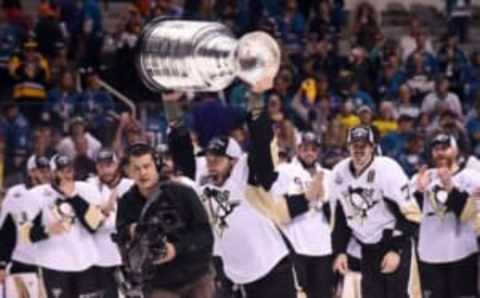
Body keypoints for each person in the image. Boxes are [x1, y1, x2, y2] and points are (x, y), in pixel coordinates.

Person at [167, 83, 325, 298]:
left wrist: (256, 99)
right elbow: (180, 145)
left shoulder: (245, 177)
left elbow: (261, 142)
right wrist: (170, 103)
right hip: (236, 277)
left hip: (272, 269)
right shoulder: (202, 177)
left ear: (233, 161)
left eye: (218, 158)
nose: (211, 163)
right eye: (209, 157)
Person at [330, 126, 422, 298]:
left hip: (393, 242)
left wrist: (396, 250)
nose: (358, 151)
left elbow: (412, 214)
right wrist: (340, 251)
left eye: (363, 146)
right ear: (348, 147)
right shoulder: (338, 173)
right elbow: (341, 216)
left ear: (372, 147)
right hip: (367, 249)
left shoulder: (388, 169)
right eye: (354, 145)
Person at [116, 143, 215, 298]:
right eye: (136, 168)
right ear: (128, 171)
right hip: (158, 284)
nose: (143, 172)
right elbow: (120, 236)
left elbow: (205, 235)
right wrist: (133, 231)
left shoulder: (183, 193)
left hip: (196, 278)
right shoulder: (126, 203)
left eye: (146, 166)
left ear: (156, 164)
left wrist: (175, 248)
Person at [26, 154, 106, 297]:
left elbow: (95, 225)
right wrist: (47, 230)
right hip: (54, 266)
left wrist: (74, 196)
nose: (65, 175)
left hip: (86, 263)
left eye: (68, 171)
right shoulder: (37, 195)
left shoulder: (86, 189)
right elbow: (25, 235)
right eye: (60, 171)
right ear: (52, 172)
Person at [412, 133, 480, 298]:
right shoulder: (422, 178)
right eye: (436, 149)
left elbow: (468, 214)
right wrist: (419, 193)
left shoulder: (471, 177)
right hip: (430, 255)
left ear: (456, 151)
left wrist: (450, 186)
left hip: (463, 253)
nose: (440, 153)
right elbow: (411, 216)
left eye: (445, 148)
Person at [276, 131, 334, 298]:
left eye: (314, 149)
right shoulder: (284, 171)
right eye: (305, 148)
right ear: (298, 149)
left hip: (323, 248)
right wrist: (307, 198)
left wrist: (325, 202)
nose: (310, 153)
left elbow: (335, 218)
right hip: (295, 247)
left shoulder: (328, 176)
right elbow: (279, 211)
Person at [0, 155, 50, 297]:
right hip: (22, 263)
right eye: (40, 170)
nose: (45, 174)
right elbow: (7, 230)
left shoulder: (54, 193)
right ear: (31, 172)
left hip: (50, 264)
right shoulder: (16, 194)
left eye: (47, 170)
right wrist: (2, 263)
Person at [87, 148, 134, 298]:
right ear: (96, 168)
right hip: (99, 258)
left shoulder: (130, 185)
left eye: (109, 165)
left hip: (127, 256)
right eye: (101, 166)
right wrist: (104, 210)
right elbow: (89, 224)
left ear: (116, 165)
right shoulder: (88, 187)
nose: (106, 170)